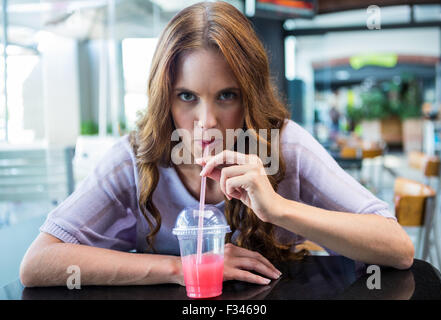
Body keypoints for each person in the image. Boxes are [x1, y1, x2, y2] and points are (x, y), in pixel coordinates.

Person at [20, 1, 414, 288]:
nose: (206, 123)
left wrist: (279, 208)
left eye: (226, 96)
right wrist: (184, 268)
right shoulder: (135, 158)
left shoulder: (284, 146)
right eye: (187, 96)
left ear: (250, 97)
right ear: (165, 99)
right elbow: (37, 263)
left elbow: (397, 249)